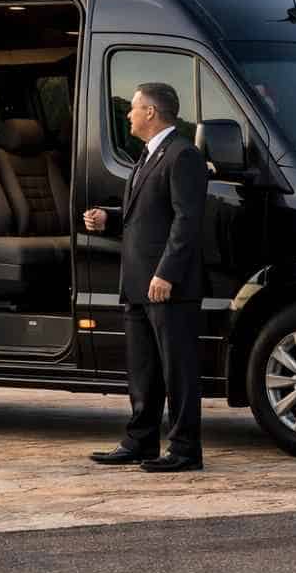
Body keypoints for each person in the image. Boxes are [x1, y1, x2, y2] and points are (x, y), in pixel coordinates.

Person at [83, 82, 209, 473]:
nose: (129, 114)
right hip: (139, 283)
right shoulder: (148, 156)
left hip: (168, 285)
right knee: (144, 369)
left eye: (134, 108)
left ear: (151, 113)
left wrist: (166, 274)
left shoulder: (182, 155)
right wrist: (109, 219)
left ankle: (186, 450)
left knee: (178, 370)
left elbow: (187, 221)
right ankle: (140, 441)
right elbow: (147, 216)